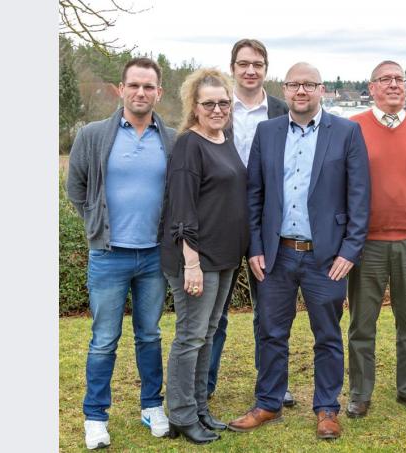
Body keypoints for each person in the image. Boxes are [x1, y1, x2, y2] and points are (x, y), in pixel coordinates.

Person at [227, 63, 370, 440]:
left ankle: (327, 408)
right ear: (285, 90)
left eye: (308, 84)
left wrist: (349, 251)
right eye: (293, 85)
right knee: (271, 332)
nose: (301, 91)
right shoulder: (268, 132)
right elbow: (254, 194)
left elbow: (359, 197)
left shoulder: (346, 132)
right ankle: (268, 403)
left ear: (321, 89)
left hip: (327, 257)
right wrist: (255, 247)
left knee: (327, 334)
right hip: (277, 254)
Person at [67, 57, 175, 450]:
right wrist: (96, 224)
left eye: (148, 86)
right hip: (108, 255)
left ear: (159, 92)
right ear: (121, 89)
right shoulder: (93, 134)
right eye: (134, 85)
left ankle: (152, 406)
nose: (141, 92)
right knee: (103, 339)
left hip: (154, 256)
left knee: (150, 335)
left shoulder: (172, 139)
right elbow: (76, 187)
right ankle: (95, 416)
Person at [160, 68, 249, 444]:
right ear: (193, 106)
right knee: (191, 336)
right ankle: (181, 414)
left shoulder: (224, 138)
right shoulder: (188, 145)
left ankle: (199, 408)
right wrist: (192, 263)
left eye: (223, 103)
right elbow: (182, 208)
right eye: (208, 103)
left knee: (208, 333)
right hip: (197, 259)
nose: (217, 109)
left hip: (225, 256)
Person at [346, 60, 406, 418]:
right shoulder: (353, 127)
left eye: (399, 78)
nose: (394, 84)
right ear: (372, 88)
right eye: (385, 79)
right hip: (365, 242)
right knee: (361, 323)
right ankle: (360, 393)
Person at [207, 38, 295, 407]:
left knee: (270, 312)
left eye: (257, 64)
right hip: (222, 219)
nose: (250, 70)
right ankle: (204, 384)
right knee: (214, 313)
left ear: (266, 69)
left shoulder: (281, 111)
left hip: (268, 222)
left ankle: (273, 385)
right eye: (243, 64)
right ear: (232, 68)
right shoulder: (215, 108)